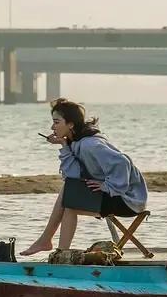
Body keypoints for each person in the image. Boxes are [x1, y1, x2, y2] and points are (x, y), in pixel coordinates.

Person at [21, 98, 148, 256]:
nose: (52, 127)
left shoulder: (90, 145)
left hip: (128, 200)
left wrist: (108, 186)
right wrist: (64, 146)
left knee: (70, 204)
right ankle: (55, 248)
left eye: (56, 122)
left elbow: (123, 162)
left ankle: (56, 249)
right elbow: (73, 176)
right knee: (69, 193)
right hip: (114, 195)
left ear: (71, 124)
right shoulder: (76, 143)